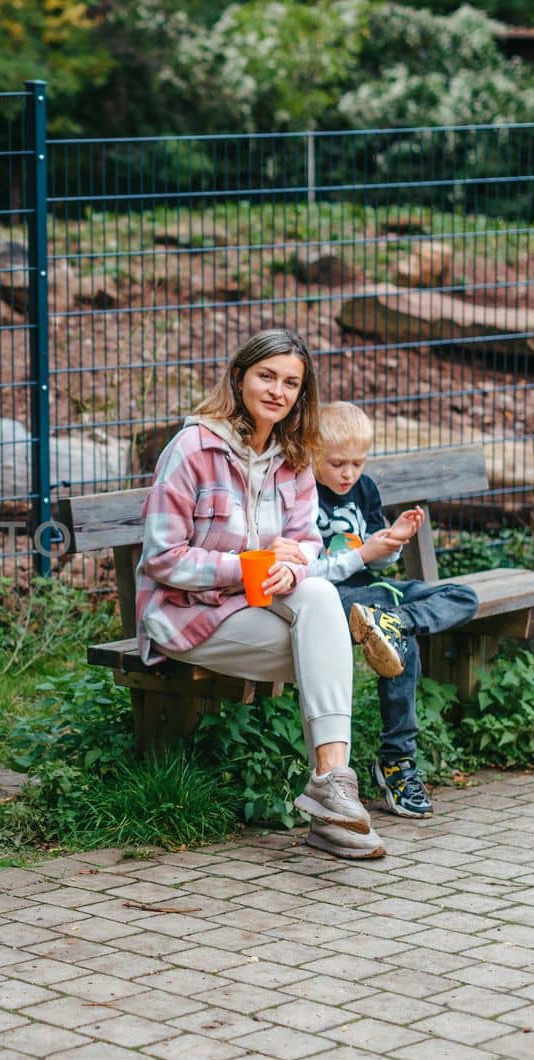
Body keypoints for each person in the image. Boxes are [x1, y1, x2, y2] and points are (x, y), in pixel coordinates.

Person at [134, 329, 386, 860]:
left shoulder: (294, 456)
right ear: (240, 377)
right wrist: (246, 564)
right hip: (188, 615)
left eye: (291, 383)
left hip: (264, 604)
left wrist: (289, 572)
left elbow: (305, 546)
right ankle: (333, 803)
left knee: (317, 599)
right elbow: (161, 556)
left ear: (301, 394)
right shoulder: (193, 449)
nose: (277, 391)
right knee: (329, 643)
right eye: (266, 376)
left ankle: (331, 786)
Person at [309, 401, 480, 819]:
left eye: (357, 463)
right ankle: (397, 762)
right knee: (397, 639)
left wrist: (393, 542)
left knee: (463, 596)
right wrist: (364, 553)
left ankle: (396, 620)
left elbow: (376, 558)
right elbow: (308, 572)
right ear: (313, 453)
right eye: (337, 464)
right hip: (330, 598)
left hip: (374, 593)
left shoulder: (364, 488)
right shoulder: (303, 493)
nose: (348, 473)